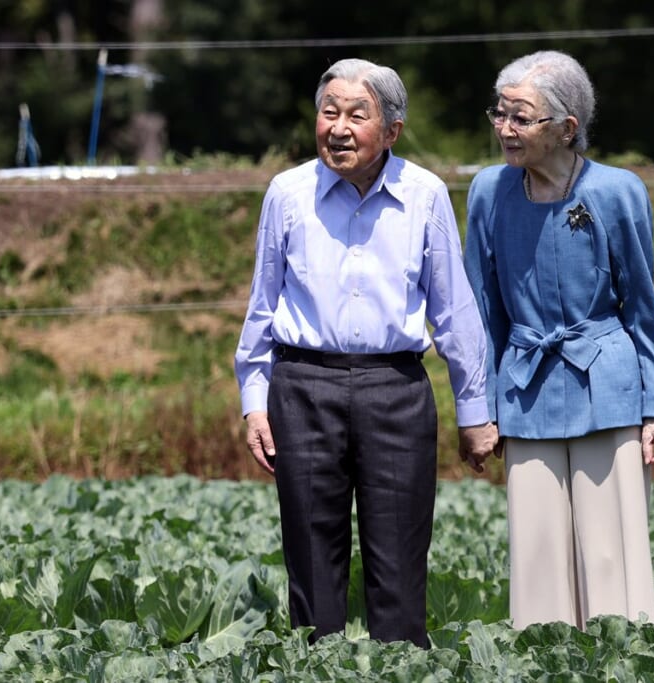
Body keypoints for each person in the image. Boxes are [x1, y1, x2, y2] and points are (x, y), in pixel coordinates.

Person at [234, 58, 499, 647]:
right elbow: (262, 303)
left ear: (393, 130)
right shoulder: (287, 194)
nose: (339, 128)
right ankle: (316, 668)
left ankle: (400, 668)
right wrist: (254, 400)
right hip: (302, 388)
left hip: (396, 390)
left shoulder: (425, 194)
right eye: (329, 113)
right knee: (310, 559)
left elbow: (454, 312)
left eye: (357, 115)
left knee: (400, 560)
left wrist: (475, 411)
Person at [462, 50, 654, 630]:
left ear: (566, 128)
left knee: (611, 554)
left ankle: (623, 656)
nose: (505, 129)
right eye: (500, 114)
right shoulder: (487, 192)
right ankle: (543, 659)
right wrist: (478, 408)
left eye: (521, 117)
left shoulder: (617, 191)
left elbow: (642, 306)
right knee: (536, 556)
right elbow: (481, 311)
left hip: (608, 386)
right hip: (524, 388)